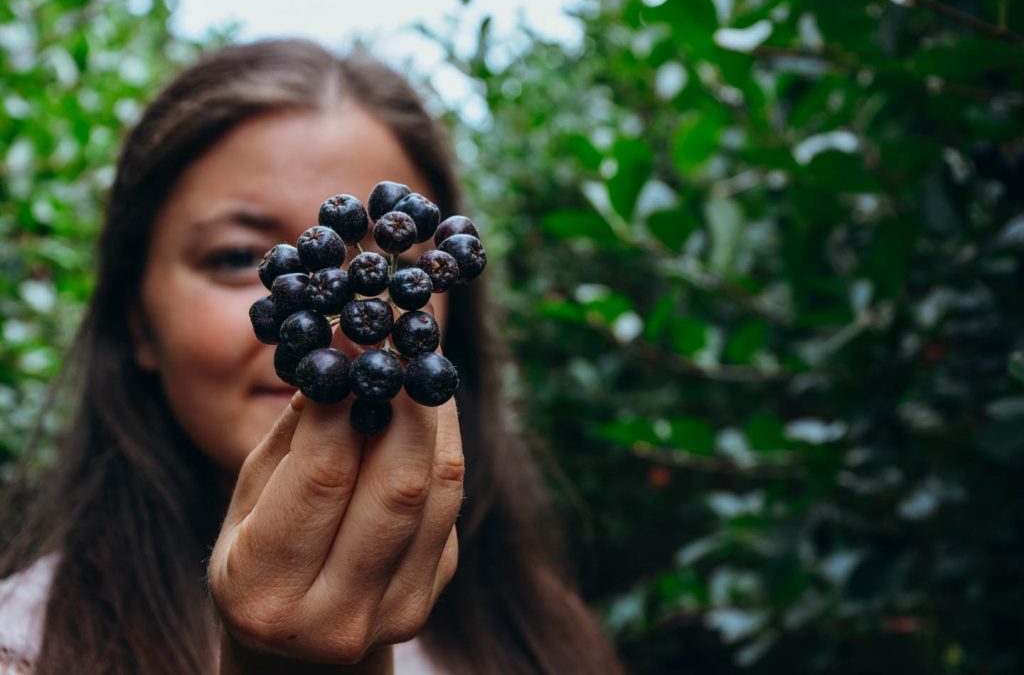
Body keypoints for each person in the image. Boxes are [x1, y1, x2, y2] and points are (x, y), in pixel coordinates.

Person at [0, 39, 623, 674]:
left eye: (392, 267)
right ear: (138, 323)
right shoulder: (22, 650)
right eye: (239, 257)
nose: (344, 333)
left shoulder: (547, 640)